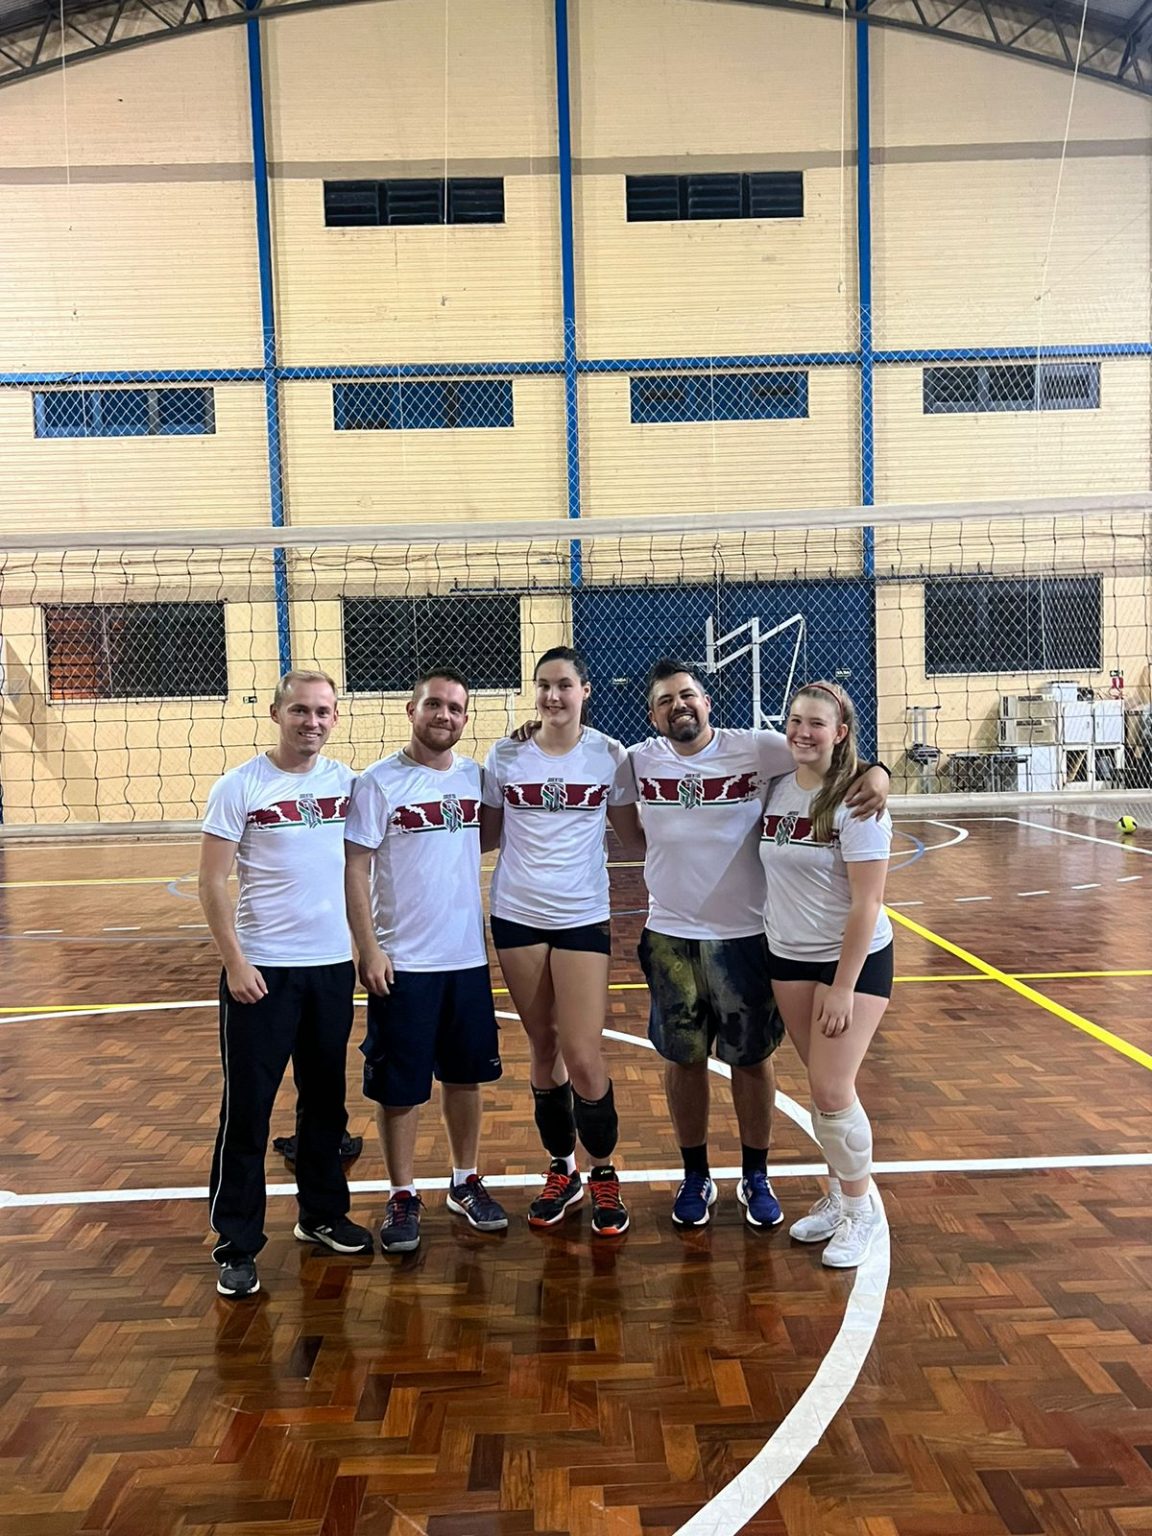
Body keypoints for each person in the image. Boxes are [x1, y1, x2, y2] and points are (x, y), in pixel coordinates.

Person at [631, 660, 890, 1231]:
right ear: (652, 715)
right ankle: (696, 1176)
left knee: (754, 1061)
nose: (679, 705)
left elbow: (837, 758)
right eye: (666, 700)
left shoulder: (757, 748)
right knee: (684, 1060)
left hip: (747, 938)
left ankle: (757, 1176)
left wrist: (880, 773)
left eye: (688, 694)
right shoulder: (637, 760)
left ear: (707, 702)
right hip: (671, 934)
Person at [199, 670, 373, 1300]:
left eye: (323, 711)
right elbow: (211, 882)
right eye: (300, 710)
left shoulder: (348, 784)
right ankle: (236, 1243)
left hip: (329, 969)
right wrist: (236, 962)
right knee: (248, 1111)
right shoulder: (239, 786)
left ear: (336, 717)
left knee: (325, 1103)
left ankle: (321, 1214)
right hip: (262, 972)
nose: (312, 722)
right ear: (276, 713)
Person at [480, 646, 643, 1237]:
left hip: (581, 916)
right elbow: (484, 837)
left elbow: (635, 839)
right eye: (544, 685)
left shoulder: (610, 755)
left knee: (582, 1052)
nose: (553, 695)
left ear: (585, 691)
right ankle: (562, 1170)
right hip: (516, 915)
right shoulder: (505, 755)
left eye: (564, 685)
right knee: (543, 1047)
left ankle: (603, 1172)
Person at [344, 668, 507, 1254]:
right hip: (403, 962)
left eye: (456, 708)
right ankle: (402, 1192)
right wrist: (368, 948)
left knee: (465, 1077)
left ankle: (464, 1180)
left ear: (465, 719)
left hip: (464, 958)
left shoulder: (475, 778)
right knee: (400, 1088)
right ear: (411, 710)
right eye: (434, 704)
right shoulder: (378, 783)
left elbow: (489, 836)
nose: (444, 715)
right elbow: (355, 868)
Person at [760, 681, 892, 1268]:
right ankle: (838, 1196)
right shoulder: (776, 786)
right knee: (820, 1087)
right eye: (795, 720)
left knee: (835, 1090)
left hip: (850, 961)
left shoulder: (858, 800)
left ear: (840, 733)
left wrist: (843, 986)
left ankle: (863, 1211)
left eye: (816, 723)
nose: (802, 732)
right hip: (787, 955)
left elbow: (868, 903)